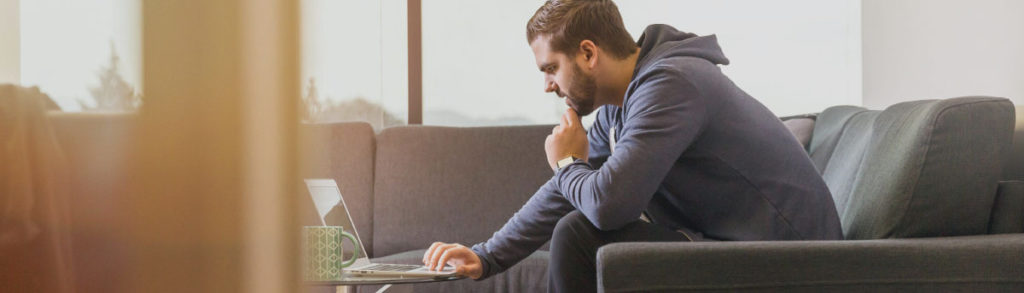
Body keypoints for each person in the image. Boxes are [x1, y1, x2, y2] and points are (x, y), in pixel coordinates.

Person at [421, 0, 843, 292]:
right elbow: (563, 196)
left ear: (588, 53)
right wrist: (486, 256)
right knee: (577, 226)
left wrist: (568, 162)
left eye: (551, 68)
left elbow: (609, 205)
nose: (547, 84)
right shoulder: (621, 108)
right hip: (732, 248)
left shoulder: (671, 85)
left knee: (581, 235)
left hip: (790, 260)